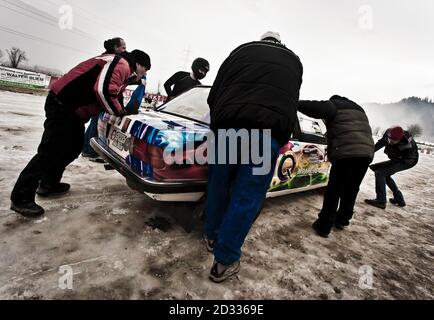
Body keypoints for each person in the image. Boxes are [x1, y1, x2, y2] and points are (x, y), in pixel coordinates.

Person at [204, 31, 303, 282]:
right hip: (264, 136)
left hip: (228, 130)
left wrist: (221, 122)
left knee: (219, 185)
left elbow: (213, 94)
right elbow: (290, 103)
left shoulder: (240, 51)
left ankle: (212, 235)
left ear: (261, 40)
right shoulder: (294, 62)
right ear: (280, 43)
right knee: (247, 196)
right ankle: (224, 261)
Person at [10, 49, 151, 217]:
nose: (143, 74)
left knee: (73, 147)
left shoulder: (121, 69)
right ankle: (21, 197)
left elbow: (114, 94)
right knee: (50, 151)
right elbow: (103, 91)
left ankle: (49, 183)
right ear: (140, 64)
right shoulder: (121, 64)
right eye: (145, 70)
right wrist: (119, 112)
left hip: (72, 111)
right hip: (62, 104)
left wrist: (123, 109)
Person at [298, 96, 375, 237]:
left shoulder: (335, 106)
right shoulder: (359, 109)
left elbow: (313, 107)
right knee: (351, 189)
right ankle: (343, 220)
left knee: (334, 190)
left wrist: (294, 102)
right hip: (366, 153)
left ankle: (324, 226)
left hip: (346, 153)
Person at [82, 37, 127, 161]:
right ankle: (89, 151)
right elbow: (106, 87)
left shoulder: (107, 58)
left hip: (95, 99)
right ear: (115, 48)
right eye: (123, 48)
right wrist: (118, 109)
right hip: (97, 99)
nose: (125, 51)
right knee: (95, 123)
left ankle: (87, 149)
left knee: (94, 123)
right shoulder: (113, 61)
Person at [365, 126, 419, 209]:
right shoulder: (388, 133)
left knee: (380, 172)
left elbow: (398, 161)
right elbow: (381, 143)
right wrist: (369, 152)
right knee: (383, 173)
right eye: (390, 139)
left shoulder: (406, 145)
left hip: (407, 160)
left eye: (394, 141)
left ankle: (381, 201)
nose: (391, 142)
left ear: (400, 139)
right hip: (398, 158)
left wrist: (383, 166)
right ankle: (399, 199)